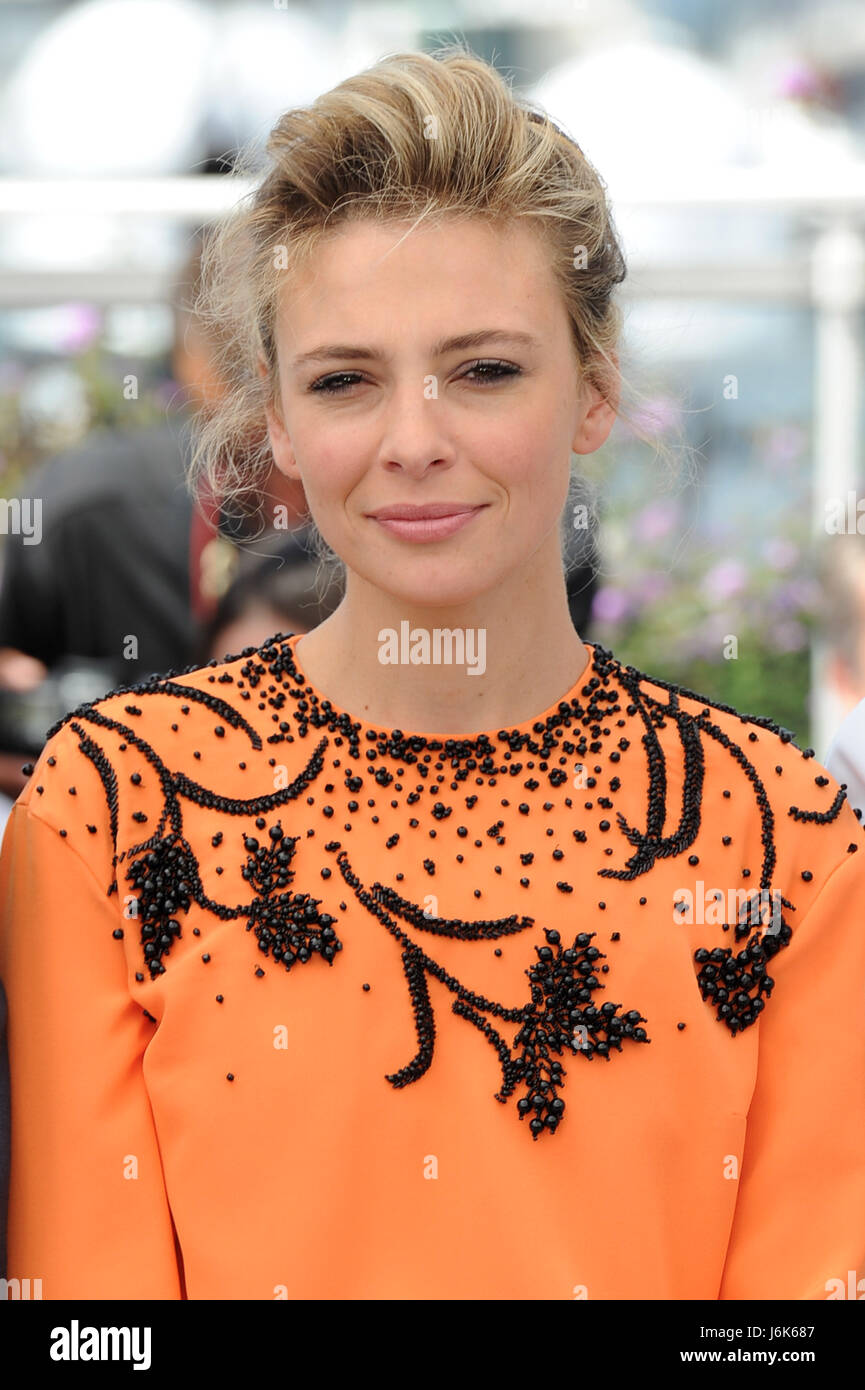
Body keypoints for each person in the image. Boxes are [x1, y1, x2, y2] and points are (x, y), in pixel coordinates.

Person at [0, 45, 864, 1302]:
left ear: (596, 391)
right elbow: (91, 1328)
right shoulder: (114, 807)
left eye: (484, 370)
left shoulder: (781, 838)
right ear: (279, 425)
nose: (415, 442)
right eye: (346, 380)